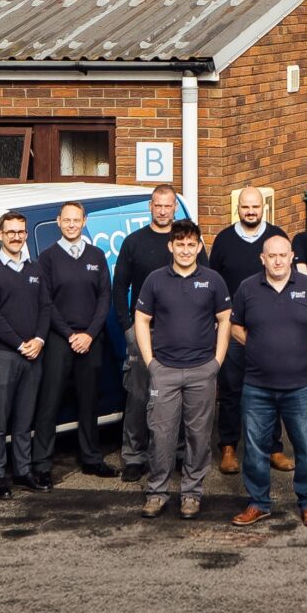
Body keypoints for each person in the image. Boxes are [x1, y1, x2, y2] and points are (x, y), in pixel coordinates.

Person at [228, 234, 307, 528]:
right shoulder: (248, 288)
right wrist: (257, 347)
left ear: (291, 257)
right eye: (271, 256)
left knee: (306, 449)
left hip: (299, 385)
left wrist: (303, 348)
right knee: (254, 449)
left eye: (282, 255)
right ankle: (258, 502)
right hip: (257, 386)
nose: (277, 260)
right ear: (262, 259)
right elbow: (236, 328)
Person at [134, 219, 232, 520]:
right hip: (164, 369)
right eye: (180, 245)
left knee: (198, 435)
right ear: (171, 246)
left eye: (191, 245)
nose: (186, 250)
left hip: (202, 369)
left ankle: (192, 493)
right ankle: (157, 492)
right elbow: (141, 319)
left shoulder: (213, 280)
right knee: (161, 435)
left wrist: (216, 362)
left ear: (199, 246)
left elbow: (225, 319)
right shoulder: (155, 280)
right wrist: (151, 362)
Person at [32, 200, 117, 482]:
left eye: (76, 220)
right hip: (59, 339)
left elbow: (105, 297)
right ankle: (42, 465)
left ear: (84, 222)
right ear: (58, 222)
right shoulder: (47, 257)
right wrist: (70, 334)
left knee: (89, 401)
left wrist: (89, 334)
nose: (71, 225)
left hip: (91, 340)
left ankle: (91, 458)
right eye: (66, 220)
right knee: (50, 401)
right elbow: (46, 302)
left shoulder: (96, 255)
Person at [209, 187, 292, 476]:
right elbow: (214, 284)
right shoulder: (223, 240)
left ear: (263, 208)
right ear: (238, 209)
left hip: (270, 330)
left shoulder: (276, 237)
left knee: (272, 388)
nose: (250, 212)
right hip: (233, 329)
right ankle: (229, 447)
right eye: (245, 207)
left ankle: (274, 447)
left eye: (255, 207)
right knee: (231, 389)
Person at [0, 211, 49, 498]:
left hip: (34, 354)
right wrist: (21, 344)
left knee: (24, 419)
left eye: (20, 232)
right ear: (0, 235)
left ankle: (23, 471)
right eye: (10, 232)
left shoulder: (36, 268)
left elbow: (46, 307)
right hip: (4, 355)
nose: (16, 237)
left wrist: (40, 340)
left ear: (26, 234)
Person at [111, 185, 181, 483]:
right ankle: (134, 457)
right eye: (158, 205)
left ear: (174, 208)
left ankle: (175, 452)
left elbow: (205, 280)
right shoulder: (134, 242)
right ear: (150, 207)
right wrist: (128, 327)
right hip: (143, 331)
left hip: (179, 333)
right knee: (139, 395)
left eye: (168, 206)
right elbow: (119, 288)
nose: (163, 211)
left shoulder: (185, 242)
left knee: (175, 396)